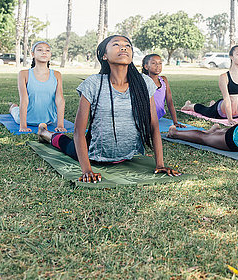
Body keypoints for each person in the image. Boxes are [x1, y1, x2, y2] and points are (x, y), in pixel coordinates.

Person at [37, 35, 179, 183]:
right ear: (104, 55)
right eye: (116, 44)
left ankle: (46, 133)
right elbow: (79, 131)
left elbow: (154, 126)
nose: (123, 47)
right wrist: (87, 170)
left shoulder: (145, 83)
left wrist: (160, 164)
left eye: (127, 45)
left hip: (128, 155)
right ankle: (45, 133)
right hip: (93, 153)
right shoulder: (94, 84)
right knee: (66, 145)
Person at [182, 45, 238, 125]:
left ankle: (212, 104)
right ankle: (189, 105)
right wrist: (229, 119)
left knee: (211, 107)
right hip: (222, 112)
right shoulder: (224, 77)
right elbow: (226, 99)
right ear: (231, 56)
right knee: (204, 110)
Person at [9, 41, 66, 132]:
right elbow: (24, 99)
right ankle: (13, 107)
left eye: (47, 50)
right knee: (15, 111)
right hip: (26, 119)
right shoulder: (24, 74)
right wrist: (23, 126)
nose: (44, 52)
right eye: (40, 50)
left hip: (48, 121)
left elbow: (60, 100)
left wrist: (60, 125)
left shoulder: (57, 74)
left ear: (50, 54)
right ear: (33, 54)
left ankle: (14, 107)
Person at [141, 53, 185, 128]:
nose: (157, 66)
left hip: (158, 117)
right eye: (154, 63)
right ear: (146, 67)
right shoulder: (143, 80)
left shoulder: (163, 80)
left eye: (160, 63)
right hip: (145, 118)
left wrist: (175, 122)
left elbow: (169, 101)